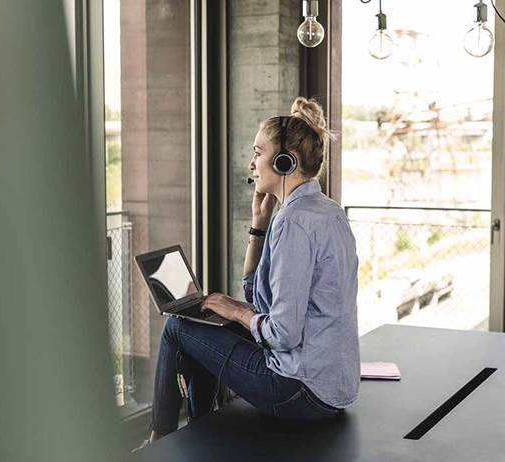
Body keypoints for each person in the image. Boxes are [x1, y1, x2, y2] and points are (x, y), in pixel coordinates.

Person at [139, 97, 360, 447]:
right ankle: (202, 426)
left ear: (285, 161)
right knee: (205, 321)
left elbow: (283, 333)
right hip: (333, 387)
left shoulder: (295, 223)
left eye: (258, 153)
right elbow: (257, 295)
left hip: (299, 391)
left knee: (177, 327)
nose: (251, 163)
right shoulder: (326, 211)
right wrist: (259, 226)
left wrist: (238, 312)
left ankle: (159, 439)